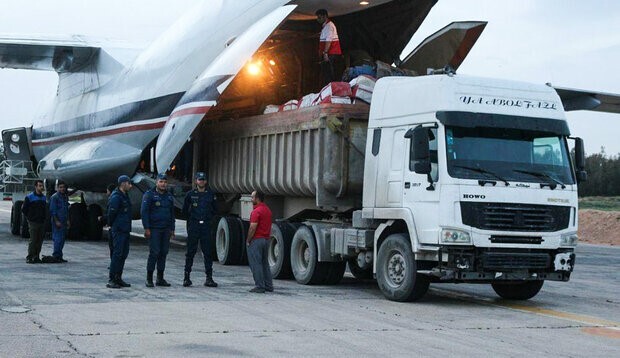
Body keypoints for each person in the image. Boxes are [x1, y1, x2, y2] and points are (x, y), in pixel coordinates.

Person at [182, 172, 218, 287]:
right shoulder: (190, 195)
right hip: (194, 226)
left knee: (207, 252)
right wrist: (191, 222)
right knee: (190, 252)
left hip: (206, 226)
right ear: (196, 181)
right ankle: (186, 277)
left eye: (203, 179)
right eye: (199, 179)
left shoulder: (210, 195)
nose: (201, 181)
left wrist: (208, 220)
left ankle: (209, 278)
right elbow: (184, 211)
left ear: (205, 181)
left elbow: (215, 210)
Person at [141, 173, 175, 287]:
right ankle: (149, 278)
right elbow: (144, 212)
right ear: (156, 183)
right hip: (154, 229)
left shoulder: (169, 196)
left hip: (166, 229)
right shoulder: (149, 195)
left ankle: (160, 278)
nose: (163, 184)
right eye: (161, 182)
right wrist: (146, 228)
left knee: (163, 253)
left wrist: (172, 228)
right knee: (154, 253)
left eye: (165, 182)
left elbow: (172, 214)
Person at [106, 176, 133, 289]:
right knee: (117, 254)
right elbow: (111, 213)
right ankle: (112, 279)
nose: (130, 185)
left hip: (125, 229)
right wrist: (112, 225)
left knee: (123, 254)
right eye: (129, 183)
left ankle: (118, 277)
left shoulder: (125, 196)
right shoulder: (116, 197)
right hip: (118, 230)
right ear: (123, 184)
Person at [246, 191, 273, 293]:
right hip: (266, 240)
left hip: (256, 240)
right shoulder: (267, 210)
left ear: (257, 198)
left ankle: (259, 286)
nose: (251, 199)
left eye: (252, 197)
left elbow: (252, 227)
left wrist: (248, 240)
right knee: (265, 263)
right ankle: (268, 285)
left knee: (256, 264)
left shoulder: (256, 211)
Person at [316, 8, 344, 85]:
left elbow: (329, 40)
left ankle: (331, 88)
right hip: (331, 54)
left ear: (325, 16)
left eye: (319, 17)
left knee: (329, 74)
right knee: (328, 73)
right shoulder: (326, 27)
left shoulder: (329, 26)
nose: (318, 19)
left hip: (331, 54)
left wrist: (325, 53)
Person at [22, 180, 47, 264]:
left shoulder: (43, 198)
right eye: (40, 186)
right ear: (36, 186)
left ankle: (36, 256)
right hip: (33, 222)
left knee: (39, 240)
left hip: (41, 222)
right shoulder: (29, 197)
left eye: (42, 186)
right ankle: (29, 257)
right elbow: (24, 209)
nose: (41, 187)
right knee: (33, 240)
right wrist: (30, 218)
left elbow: (45, 210)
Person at [49, 181, 69, 263]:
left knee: (62, 239)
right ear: (57, 188)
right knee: (58, 239)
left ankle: (59, 256)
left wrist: (68, 220)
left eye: (63, 187)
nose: (62, 189)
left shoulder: (64, 197)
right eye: (60, 187)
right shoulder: (54, 197)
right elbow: (52, 210)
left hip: (64, 220)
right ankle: (56, 255)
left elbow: (67, 209)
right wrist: (56, 221)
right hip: (57, 221)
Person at [100, 183, 116, 260]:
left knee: (113, 247)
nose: (107, 193)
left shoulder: (113, 199)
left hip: (114, 227)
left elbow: (111, 213)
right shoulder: (120, 197)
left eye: (107, 191)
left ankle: (114, 265)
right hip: (117, 227)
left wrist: (102, 218)